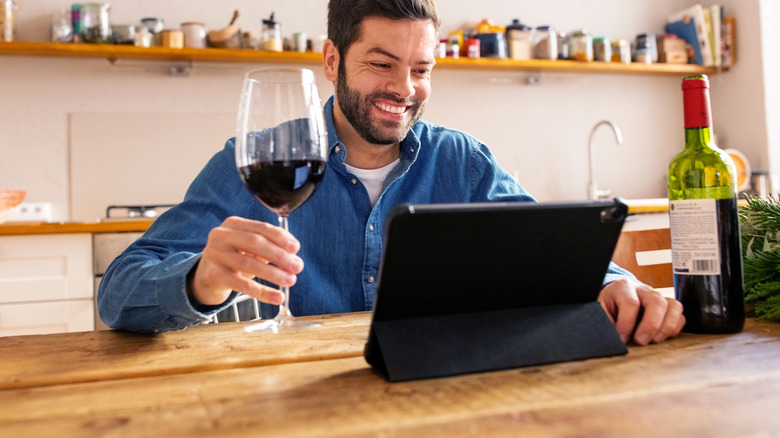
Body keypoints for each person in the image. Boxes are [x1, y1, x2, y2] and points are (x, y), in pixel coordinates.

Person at [98, 0, 684, 345]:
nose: (404, 90)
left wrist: (611, 282)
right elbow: (120, 292)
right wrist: (201, 279)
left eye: (421, 69)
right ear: (332, 61)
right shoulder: (255, 160)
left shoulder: (464, 163)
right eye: (382, 64)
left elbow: (548, 251)